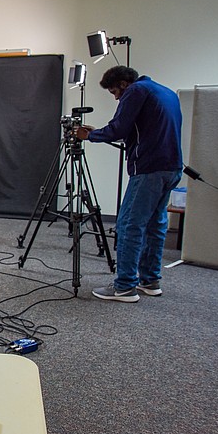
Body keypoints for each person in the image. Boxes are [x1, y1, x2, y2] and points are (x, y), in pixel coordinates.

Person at [76, 66, 182, 303]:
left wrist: (89, 136)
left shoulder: (135, 91)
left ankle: (124, 286)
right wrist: (101, 132)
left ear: (124, 84)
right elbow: (142, 130)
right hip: (171, 167)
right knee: (155, 224)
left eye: (115, 91)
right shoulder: (165, 92)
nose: (115, 97)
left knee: (128, 226)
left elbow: (119, 127)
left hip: (149, 170)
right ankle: (150, 280)